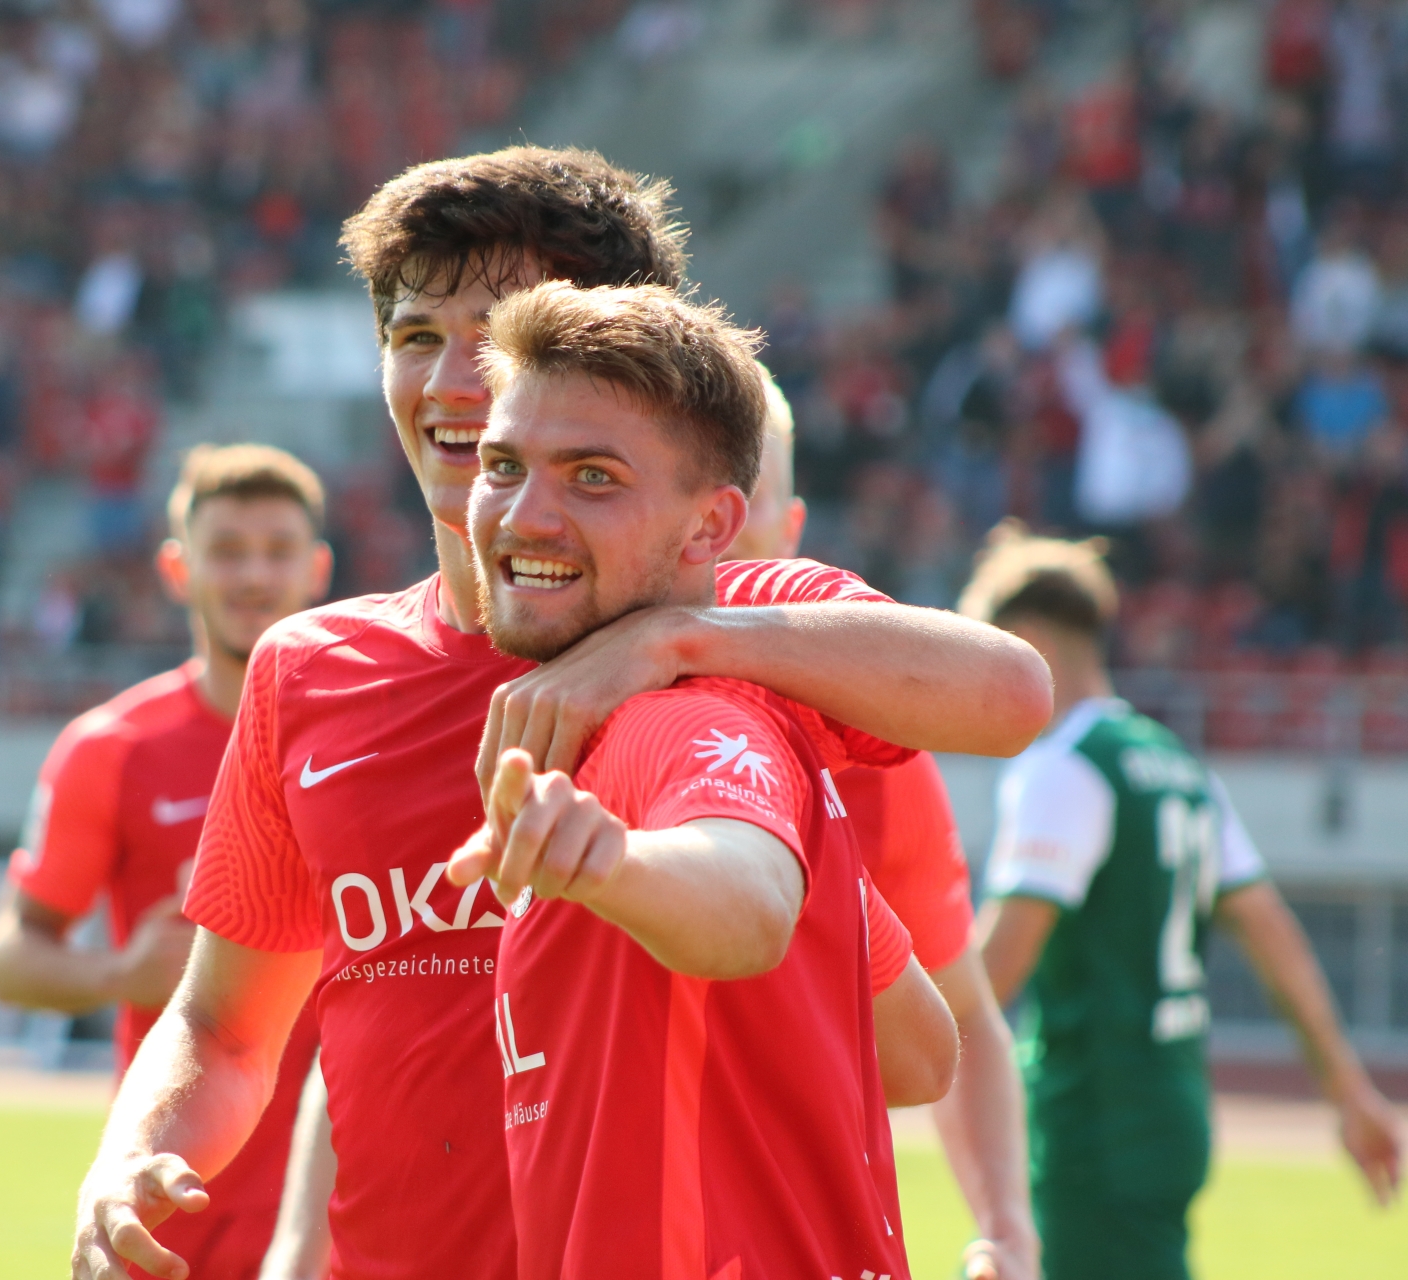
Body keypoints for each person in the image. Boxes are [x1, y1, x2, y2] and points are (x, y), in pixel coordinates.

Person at [70, 146, 1052, 1280]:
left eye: (497, 335)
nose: (451, 381)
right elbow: (226, 1027)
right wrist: (127, 1155)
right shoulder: (310, 670)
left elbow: (1009, 699)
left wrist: (669, 642)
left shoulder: (740, 631)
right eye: (414, 335)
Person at [442, 279, 954, 1280]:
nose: (524, 514)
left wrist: (616, 865)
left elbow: (747, 905)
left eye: (592, 477)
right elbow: (919, 1050)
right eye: (502, 466)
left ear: (711, 527)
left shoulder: (677, 716)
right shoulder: (692, 710)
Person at [967, 523, 1404, 1280]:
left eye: (982, 653)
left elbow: (995, 971)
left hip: (1093, 1120)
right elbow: (1271, 932)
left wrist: (878, 1052)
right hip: (1173, 1110)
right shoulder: (1177, 763)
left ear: (1027, 642)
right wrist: (1347, 1089)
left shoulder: (1065, 768)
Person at [0, 444, 330, 1278]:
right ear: (178, 569)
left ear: (317, 569)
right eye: (228, 550)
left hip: (348, 1199)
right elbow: (9, 959)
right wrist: (119, 973)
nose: (255, 574)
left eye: (278, 550)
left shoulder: (369, 736)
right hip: (177, 1198)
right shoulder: (112, 748)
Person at [726, 374, 1038, 1280]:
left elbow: (962, 1019)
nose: (714, 526)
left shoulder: (877, 756)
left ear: (790, 530)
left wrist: (1007, 1231)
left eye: (742, 496)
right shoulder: (539, 702)